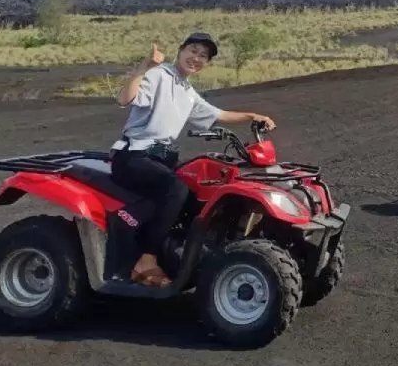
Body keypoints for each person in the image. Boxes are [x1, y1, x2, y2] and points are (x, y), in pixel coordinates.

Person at [110, 32, 276, 287]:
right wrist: (146, 66)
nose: (196, 58)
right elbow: (125, 98)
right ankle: (146, 260)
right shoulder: (159, 76)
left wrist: (252, 116)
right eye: (193, 51)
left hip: (160, 158)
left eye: (203, 56)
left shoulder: (187, 91)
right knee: (175, 188)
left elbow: (218, 114)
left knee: (197, 191)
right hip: (133, 155)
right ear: (181, 50)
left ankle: (182, 255)